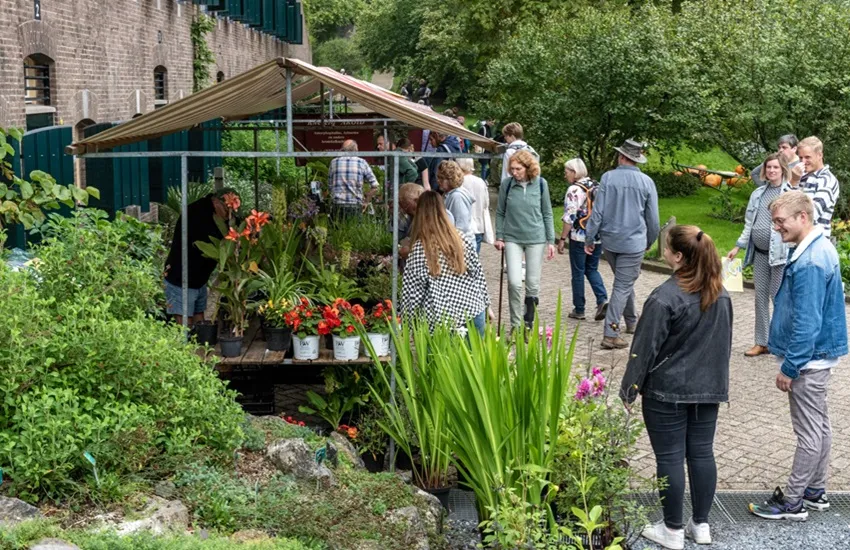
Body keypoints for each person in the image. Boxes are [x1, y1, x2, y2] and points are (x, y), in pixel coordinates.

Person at [622, 225, 732, 550]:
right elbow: (723, 347)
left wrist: (629, 389)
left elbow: (644, 348)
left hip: (666, 391)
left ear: (678, 257)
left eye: (666, 247)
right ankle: (701, 526)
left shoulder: (664, 297)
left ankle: (672, 531)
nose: (663, 251)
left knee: (669, 457)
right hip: (708, 389)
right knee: (701, 453)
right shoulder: (721, 293)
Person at [748, 191, 847, 521]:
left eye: (780, 221)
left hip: (808, 361)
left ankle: (792, 502)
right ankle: (815, 491)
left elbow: (807, 321)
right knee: (819, 425)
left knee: (808, 432)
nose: (776, 228)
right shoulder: (818, 248)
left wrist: (790, 367)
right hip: (819, 357)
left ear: (803, 217)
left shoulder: (809, 262)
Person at [585, 139, 660, 350]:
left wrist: (590, 238)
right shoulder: (647, 182)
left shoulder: (607, 178)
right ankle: (610, 333)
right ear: (636, 159)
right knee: (622, 285)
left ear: (621, 156)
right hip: (633, 242)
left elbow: (597, 212)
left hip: (610, 241)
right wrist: (650, 240)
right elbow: (653, 219)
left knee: (623, 283)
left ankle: (632, 322)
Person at [727, 153, 792, 357]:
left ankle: (782, 342)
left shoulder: (789, 194)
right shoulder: (757, 193)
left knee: (778, 298)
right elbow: (749, 223)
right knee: (760, 297)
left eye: (776, 167)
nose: (772, 171)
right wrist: (738, 246)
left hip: (780, 255)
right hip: (760, 254)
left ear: (783, 170)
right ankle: (761, 342)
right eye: (769, 167)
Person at [401, 191, 490, 335]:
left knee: (438, 358)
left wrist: (407, 324)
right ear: (443, 210)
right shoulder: (461, 239)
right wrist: (486, 305)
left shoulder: (419, 249)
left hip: (439, 318)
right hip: (473, 310)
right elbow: (478, 275)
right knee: (474, 357)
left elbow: (412, 294)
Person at [495, 149, 556, 333]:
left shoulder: (541, 185)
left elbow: (547, 213)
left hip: (535, 238)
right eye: (512, 169)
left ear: (528, 168)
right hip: (512, 237)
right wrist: (499, 236)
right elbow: (500, 212)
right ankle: (515, 324)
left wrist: (550, 240)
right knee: (514, 282)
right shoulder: (507, 185)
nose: (515, 172)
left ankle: (528, 323)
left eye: (518, 169)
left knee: (532, 284)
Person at [164, 189, 236, 326]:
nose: (229, 213)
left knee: (200, 318)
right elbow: (212, 241)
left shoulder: (215, 211)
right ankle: (185, 345)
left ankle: (202, 344)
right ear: (216, 202)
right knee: (185, 324)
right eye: (227, 208)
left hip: (199, 279)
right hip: (181, 279)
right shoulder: (197, 214)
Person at [556, 158, 608, 321]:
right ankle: (602, 299)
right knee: (592, 269)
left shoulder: (574, 190)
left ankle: (579, 309)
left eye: (566, 172)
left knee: (578, 272)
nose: (565, 175)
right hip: (596, 236)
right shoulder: (597, 186)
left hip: (579, 236)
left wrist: (562, 238)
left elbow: (570, 216)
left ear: (574, 172)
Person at [797, 136, 840, 238]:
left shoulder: (827, 180)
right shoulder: (800, 176)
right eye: (800, 158)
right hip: (797, 242)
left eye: (807, 157)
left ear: (819, 155)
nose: (803, 162)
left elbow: (812, 213)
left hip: (815, 243)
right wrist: (793, 181)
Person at [327, 139, 379, 219]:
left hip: (337, 206)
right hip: (355, 206)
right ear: (356, 150)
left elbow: (330, 186)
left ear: (342, 150)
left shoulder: (334, 162)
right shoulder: (362, 162)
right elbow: (375, 186)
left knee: (337, 230)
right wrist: (366, 202)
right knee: (354, 230)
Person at [457, 157, 494, 253]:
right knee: (475, 256)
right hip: (479, 224)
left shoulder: (459, 182)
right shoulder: (481, 181)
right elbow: (486, 202)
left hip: (463, 226)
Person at [438, 160, 475, 240]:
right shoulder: (447, 194)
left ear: (451, 179)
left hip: (461, 243)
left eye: (442, 178)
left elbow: (461, 226)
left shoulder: (457, 197)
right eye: (438, 177)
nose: (438, 181)